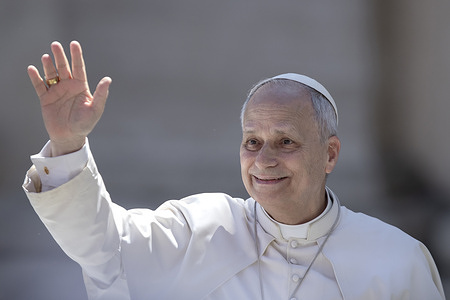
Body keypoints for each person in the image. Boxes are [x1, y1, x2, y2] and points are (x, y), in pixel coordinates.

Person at [23, 41, 445, 300]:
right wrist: (67, 143)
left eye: (286, 142)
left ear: (330, 155)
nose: (264, 160)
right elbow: (103, 246)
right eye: (252, 142)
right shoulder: (200, 230)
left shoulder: (396, 260)